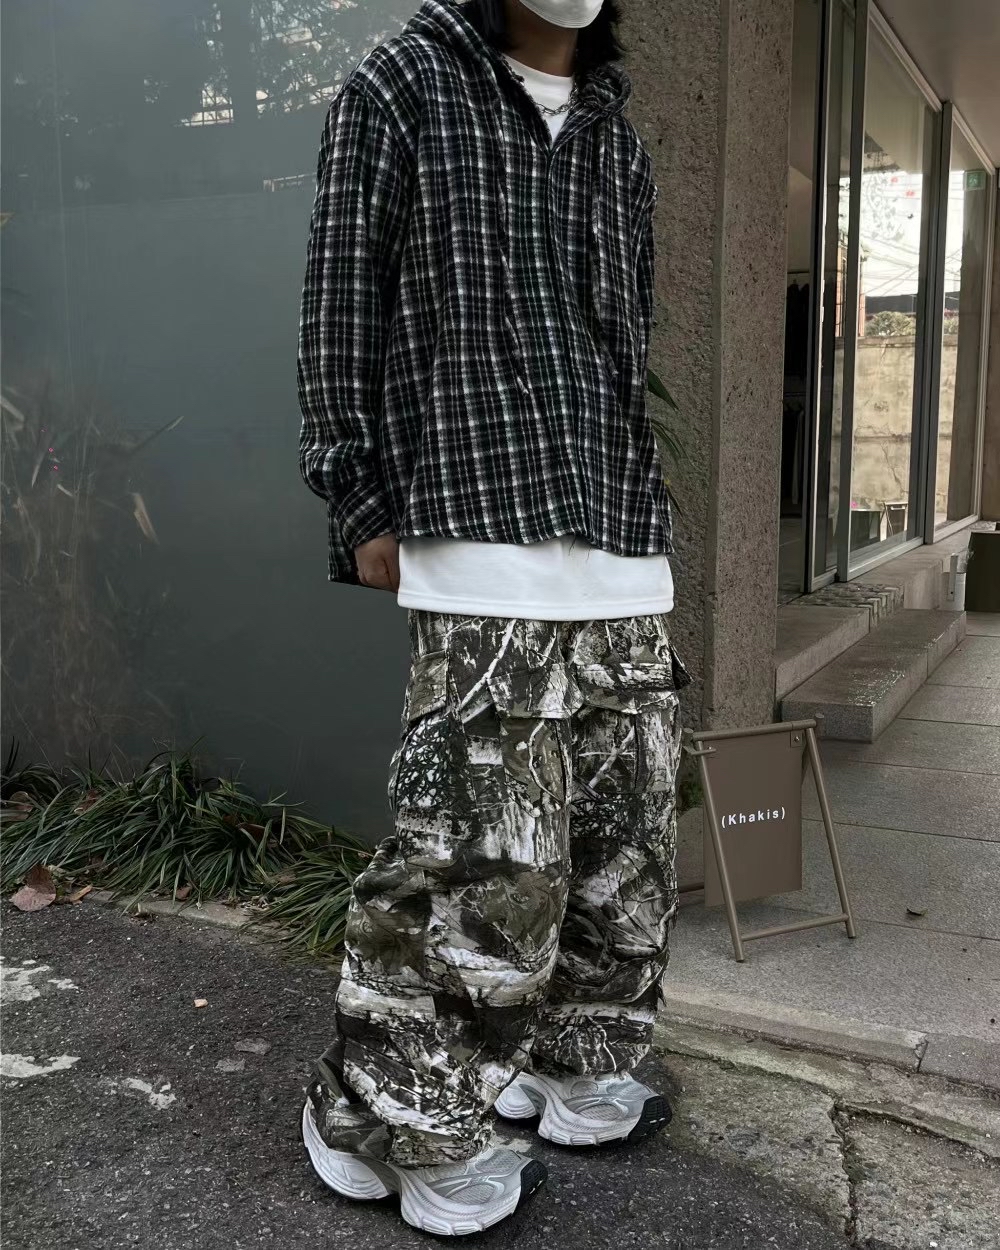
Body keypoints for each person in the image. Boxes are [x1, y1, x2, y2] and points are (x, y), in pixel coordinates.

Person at [296, 0, 690, 1235]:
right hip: (476, 534)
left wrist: (641, 504)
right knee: (482, 867)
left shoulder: (615, 129)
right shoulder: (405, 81)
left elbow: (621, 339)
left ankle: (575, 1058)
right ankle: (380, 1110)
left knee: (626, 849)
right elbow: (340, 304)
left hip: (616, 541)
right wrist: (358, 494)